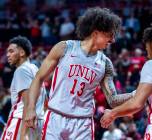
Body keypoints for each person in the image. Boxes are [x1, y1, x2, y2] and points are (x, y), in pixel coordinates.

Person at [24, 7, 135, 140]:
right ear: (96, 33)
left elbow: (113, 100)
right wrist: (30, 108)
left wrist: (136, 93)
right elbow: (38, 78)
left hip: (83, 124)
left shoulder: (105, 63)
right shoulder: (64, 48)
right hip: (55, 117)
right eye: (110, 35)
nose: (113, 40)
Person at [1, 36, 46, 140]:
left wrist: (23, 134)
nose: (8, 55)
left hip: (21, 120)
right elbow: (45, 100)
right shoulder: (35, 69)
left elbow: (27, 101)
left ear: (21, 53)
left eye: (11, 51)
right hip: (38, 122)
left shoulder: (22, 70)